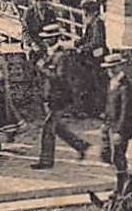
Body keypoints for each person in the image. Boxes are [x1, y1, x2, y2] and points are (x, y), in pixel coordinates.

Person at [32, 27, 90, 169]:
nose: (45, 41)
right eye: (44, 38)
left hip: (58, 97)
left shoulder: (62, 56)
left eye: (48, 38)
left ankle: (46, 161)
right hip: (50, 96)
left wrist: (42, 68)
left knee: (48, 128)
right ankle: (80, 145)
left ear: (55, 38)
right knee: (56, 127)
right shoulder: (50, 53)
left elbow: (59, 77)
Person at [100, 53, 132, 194]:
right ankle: (122, 184)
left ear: (118, 67)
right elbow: (110, 106)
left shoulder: (125, 87)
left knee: (119, 156)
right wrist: (105, 121)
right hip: (111, 125)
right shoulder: (113, 83)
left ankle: (124, 186)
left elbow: (126, 112)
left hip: (121, 129)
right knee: (113, 157)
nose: (109, 71)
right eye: (108, 68)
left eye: (112, 68)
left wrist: (119, 131)